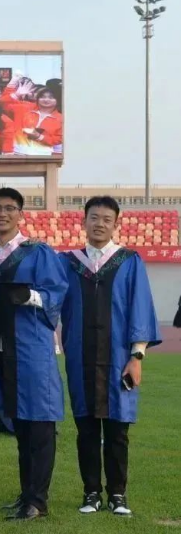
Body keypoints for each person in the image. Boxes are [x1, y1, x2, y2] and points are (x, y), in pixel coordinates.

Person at [59, 196, 161, 516]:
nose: (99, 224)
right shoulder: (69, 263)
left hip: (119, 359)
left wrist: (137, 357)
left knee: (118, 431)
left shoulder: (129, 261)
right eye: (94, 217)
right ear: (83, 221)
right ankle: (91, 493)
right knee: (86, 429)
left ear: (116, 224)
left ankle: (118, 494)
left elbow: (139, 307)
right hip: (81, 357)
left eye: (106, 219)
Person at [0, 188, 68, 521]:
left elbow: (56, 291)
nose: (3, 214)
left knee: (39, 423)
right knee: (20, 425)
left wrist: (29, 296)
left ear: (20, 214)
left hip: (31, 349)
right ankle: (26, 494)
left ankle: (38, 501)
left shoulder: (38, 252)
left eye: (10, 208)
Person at [13, 87, 62, 156]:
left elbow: (59, 139)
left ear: (58, 101)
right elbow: (3, 103)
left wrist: (39, 137)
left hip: (43, 155)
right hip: (18, 153)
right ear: (37, 99)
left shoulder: (61, 119)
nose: (46, 99)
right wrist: (16, 95)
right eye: (42, 97)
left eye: (51, 98)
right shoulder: (24, 110)